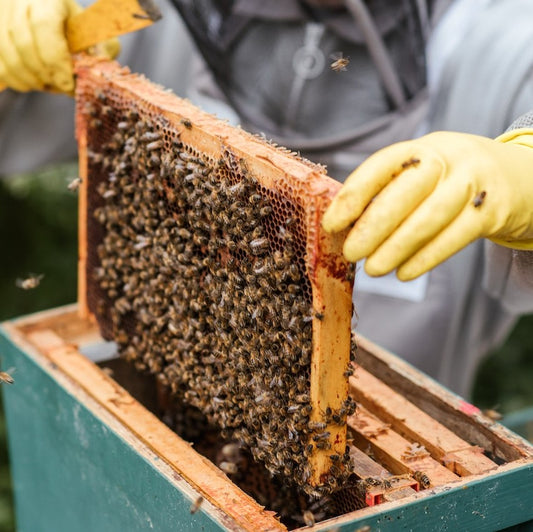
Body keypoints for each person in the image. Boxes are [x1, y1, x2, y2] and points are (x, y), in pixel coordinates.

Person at [1, 0, 533, 398]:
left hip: (384, 488)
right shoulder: (138, 10)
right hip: (156, 403)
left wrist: (520, 170)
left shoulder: (506, 37)